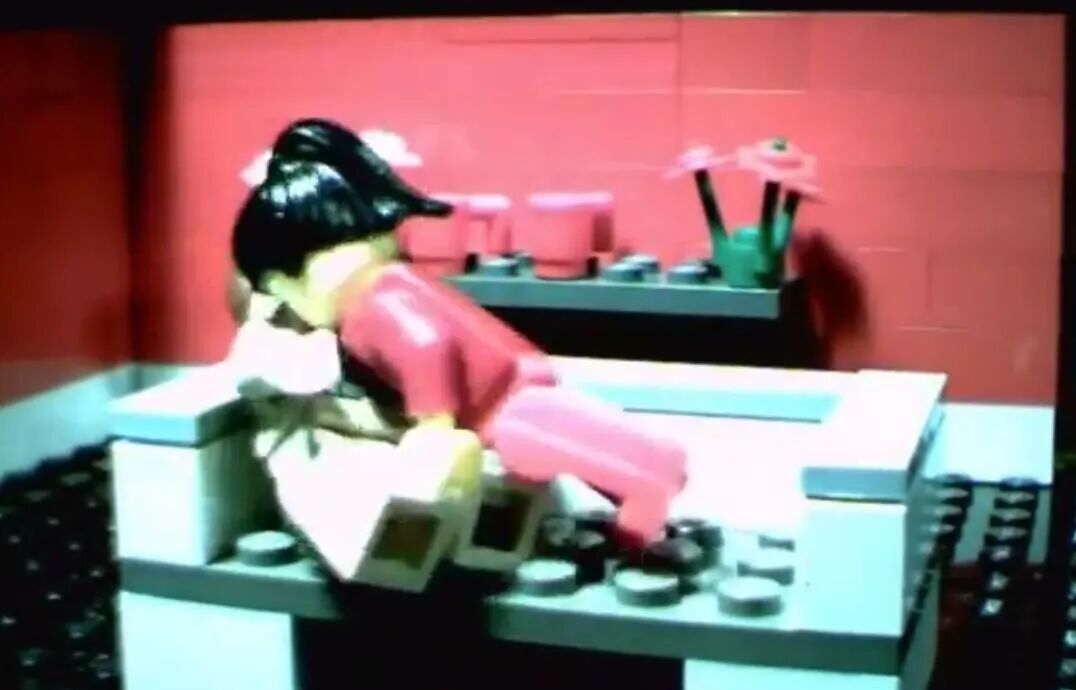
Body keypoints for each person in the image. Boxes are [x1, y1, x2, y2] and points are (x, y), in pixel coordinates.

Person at [231, 120, 687, 547]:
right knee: (588, 445)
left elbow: (428, 346)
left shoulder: (368, 305)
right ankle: (656, 465)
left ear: (301, 270)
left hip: (501, 408)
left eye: (280, 288)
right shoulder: (391, 280)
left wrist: (434, 424)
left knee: (569, 453)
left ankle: (645, 501)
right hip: (519, 384)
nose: (289, 304)